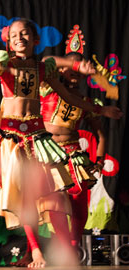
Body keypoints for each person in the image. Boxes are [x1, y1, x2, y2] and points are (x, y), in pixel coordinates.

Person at [0, 18, 120, 268]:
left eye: (25, 34)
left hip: (38, 137)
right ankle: (35, 252)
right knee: (24, 197)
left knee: (50, 194)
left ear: (36, 40)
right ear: (8, 43)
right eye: (14, 35)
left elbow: (68, 96)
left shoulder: (43, 69)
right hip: (12, 138)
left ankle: (64, 248)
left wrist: (101, 111)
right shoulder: (5, 65)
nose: (19, 38)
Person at [41, 25, 122, 248]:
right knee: (55, 200)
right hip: (49, 152)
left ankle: (74, 244)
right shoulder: (48, 87)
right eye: (70, 68)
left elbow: (101, 134)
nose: (73, 72)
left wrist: (98, 160)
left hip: (73, 152)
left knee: (78, 199)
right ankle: (64, 244)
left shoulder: (87, 103)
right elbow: (48, 60)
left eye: (78, 70)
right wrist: (73, 63)